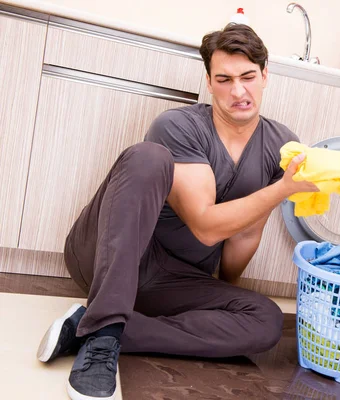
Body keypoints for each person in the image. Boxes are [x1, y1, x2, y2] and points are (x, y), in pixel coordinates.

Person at [36, 23, 318, 400]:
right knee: (148, 157)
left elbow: (247, 231)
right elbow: (204, 226)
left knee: (266, 323)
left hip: (175, 280)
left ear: (265, 75)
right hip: (108, 255)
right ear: (209, 81)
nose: (238, 91)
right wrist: (281, 190)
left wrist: (222, 297)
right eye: (225, 79)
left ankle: (90, 326)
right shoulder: (178, 126)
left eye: (248, 76)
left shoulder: (281, 143)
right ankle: (103, 336)